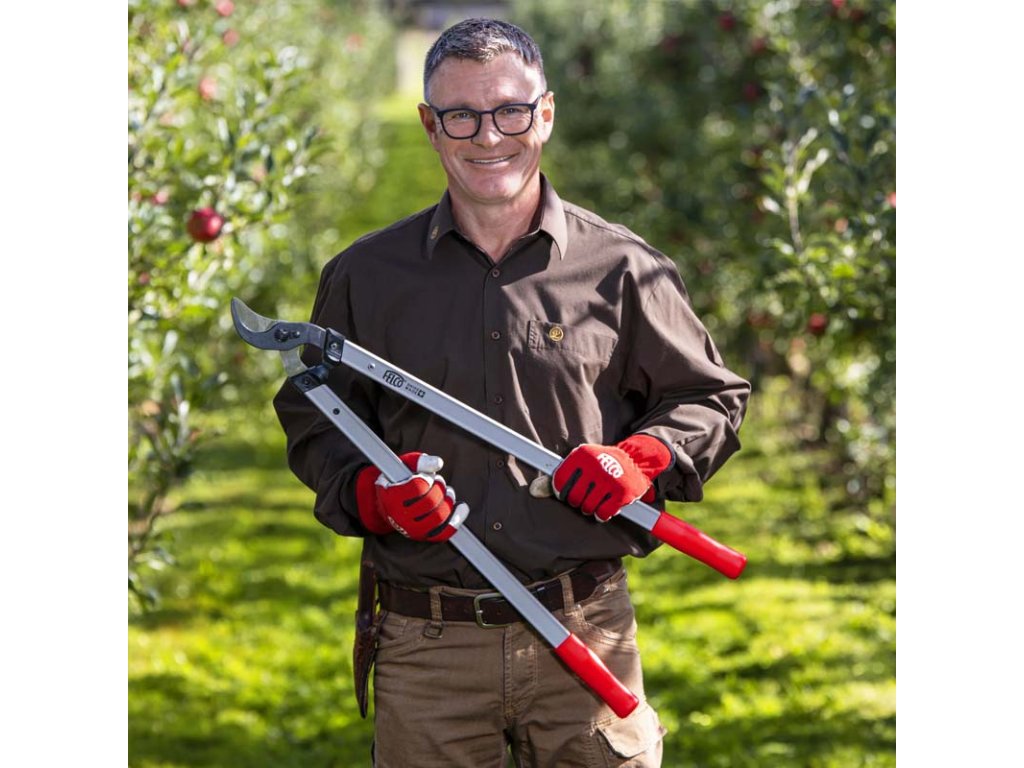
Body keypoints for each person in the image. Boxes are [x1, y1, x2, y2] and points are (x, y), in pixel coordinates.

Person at [273, 17, 750, 768]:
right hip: (427, 645)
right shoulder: (366, 276)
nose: (489, 136)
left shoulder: (623, 268)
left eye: (511, 111)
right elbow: (316, 416)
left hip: (586, 625)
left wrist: (642, 459)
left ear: (545, 114)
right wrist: (372, 494)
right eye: (461, 115)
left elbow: (710, 397)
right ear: (430, 125)